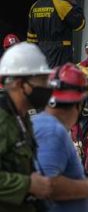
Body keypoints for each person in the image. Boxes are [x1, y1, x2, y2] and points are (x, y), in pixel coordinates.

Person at [32, 63, 88, 212]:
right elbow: (46, 185)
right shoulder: (52, 130)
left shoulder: (42, 124)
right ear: (78, 103)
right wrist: (87, 187)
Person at [0, 42, 52, 211]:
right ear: (19, 83)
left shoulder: (22, 117)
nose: (46, 87)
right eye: (41, 80)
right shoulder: (3, 119)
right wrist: (27, 184)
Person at [27, 0, 85, 68]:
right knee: (59, 78)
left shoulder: (34, 6)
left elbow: (31, 39)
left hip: (42, 54)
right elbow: (80, 25)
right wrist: (74, 4)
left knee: (46, 78)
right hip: (60, 54)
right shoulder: (61, 4)